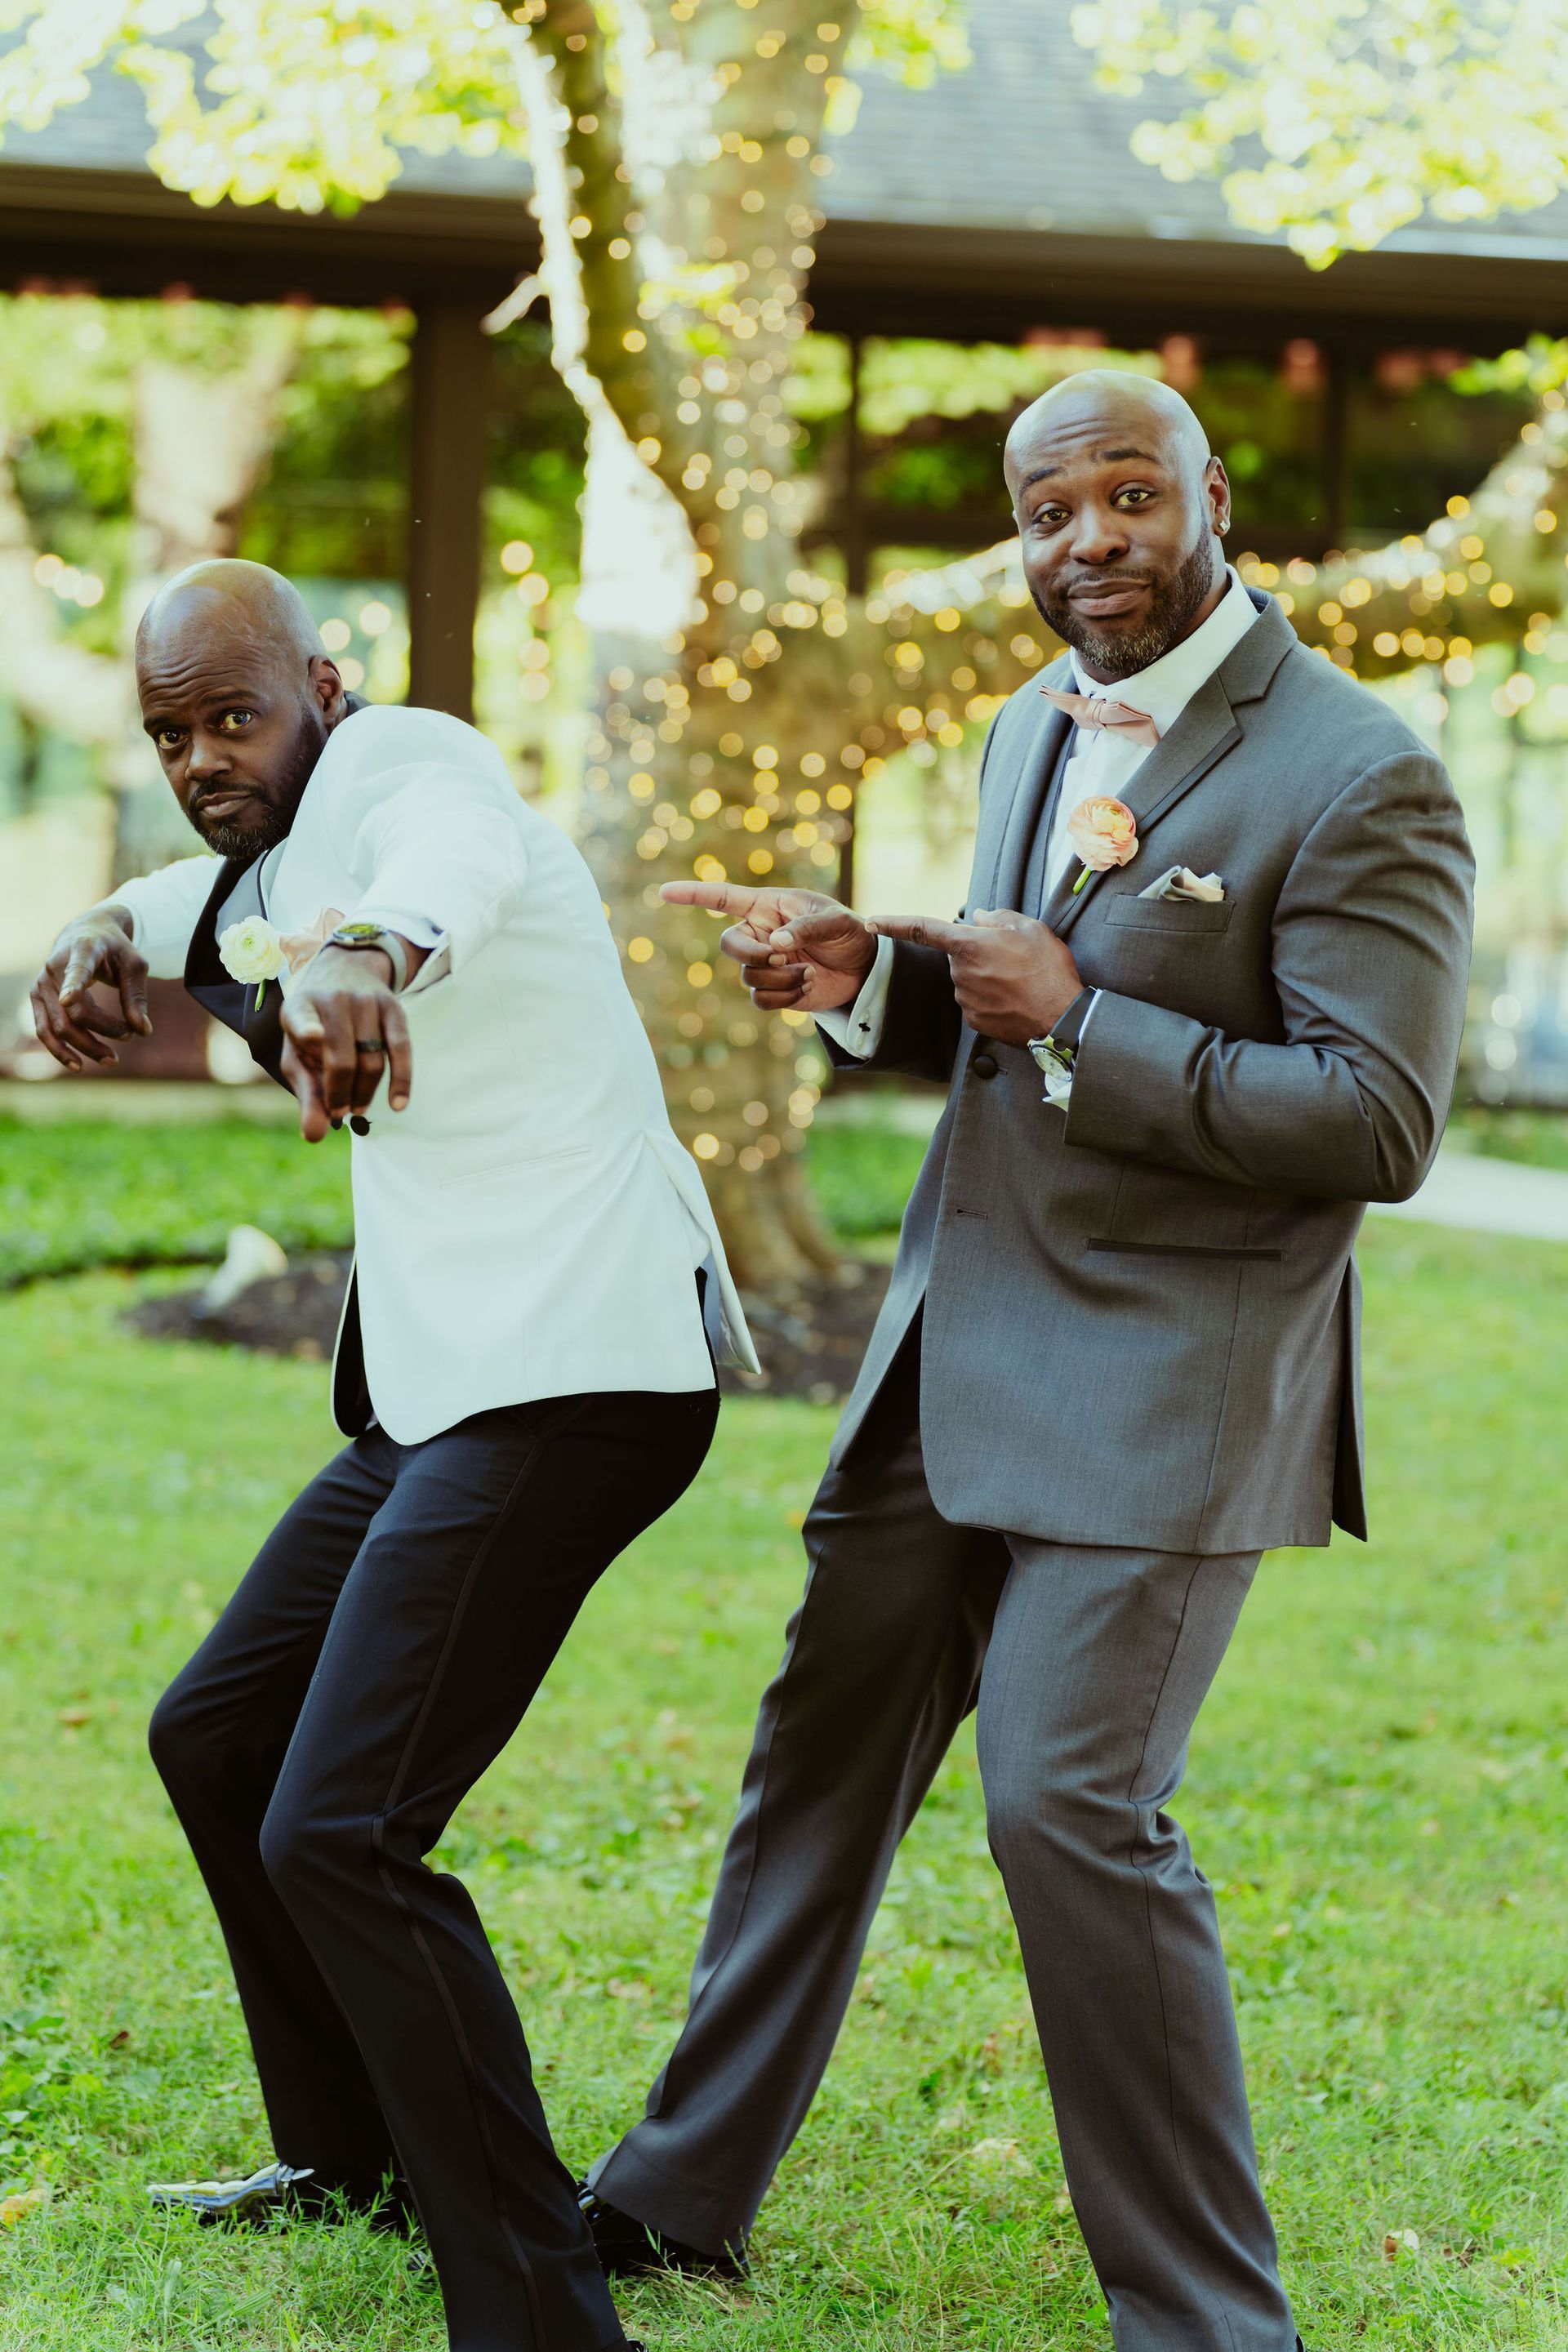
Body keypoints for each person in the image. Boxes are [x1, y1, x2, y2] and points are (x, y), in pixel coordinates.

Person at [577, 373, 1475, 2352]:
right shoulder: (1027, 720)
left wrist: (1077, 1013)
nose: (1087, 544)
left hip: (1165, 1383)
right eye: (1048, 513)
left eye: (1127, 498)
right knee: (818, 1763)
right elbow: (1019, 1004)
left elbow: (1378, 1121)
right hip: (949, 1351)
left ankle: (1209, 2324)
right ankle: (670, 2203)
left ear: (1211, 496)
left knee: (1067, 1808)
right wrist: (876, 979)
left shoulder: (1359, 771)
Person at [29, 558, 757, 2352]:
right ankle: (343, 2153)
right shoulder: (272, 847)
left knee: (343, 1830)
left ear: (324, 686)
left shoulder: (411, 768)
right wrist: (96, 931)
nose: (205, 754)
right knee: (217, 1736)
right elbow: (208, 892)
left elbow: (451, 856)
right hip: (451, 1388)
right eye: (172, 731)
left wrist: (367, 954)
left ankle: (536, 2312)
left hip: (582, 1376)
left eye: (235, 713)